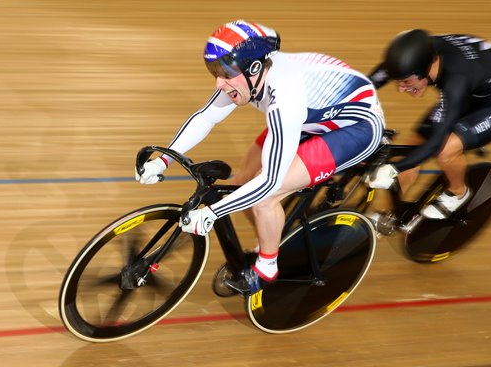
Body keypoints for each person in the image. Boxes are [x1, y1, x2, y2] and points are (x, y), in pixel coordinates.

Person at [135, 20, 385, 294]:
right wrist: (162, 160)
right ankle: (272, 236)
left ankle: (267, 268)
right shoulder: (247, 77)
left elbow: (269, 182)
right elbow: (206, 118)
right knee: (242, 184)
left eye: (225, 72)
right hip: (310, 119)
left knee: (264, 197)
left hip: (355, 129)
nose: (219, 82)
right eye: (214, 71)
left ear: (255, 68)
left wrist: (213, 213)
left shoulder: (284, 98)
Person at [367, 29, 491, 218]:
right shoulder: (419, 54)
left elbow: (436, 142)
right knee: (413, 147)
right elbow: (373, 80)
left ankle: (458, 192)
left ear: (423, 70)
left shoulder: (456, 79)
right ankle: (390, 214)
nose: (401, 89)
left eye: (405, 82)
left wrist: (394, 169)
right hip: (473, 88)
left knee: (446, 149)